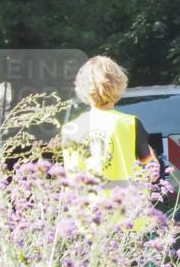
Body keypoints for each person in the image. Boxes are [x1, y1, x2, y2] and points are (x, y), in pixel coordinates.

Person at [62, 56, 158, 184]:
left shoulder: (70, 129)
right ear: (119, 84)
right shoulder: (130, 123)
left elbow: (71, 178)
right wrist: (152, 153)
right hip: (126, 201)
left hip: (85, 203)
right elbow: (152, 173)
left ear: (81, 88)